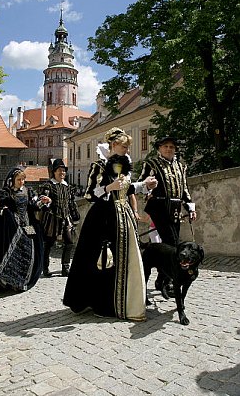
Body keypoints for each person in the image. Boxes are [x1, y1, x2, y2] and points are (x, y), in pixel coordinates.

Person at [63, 127, 157, 321]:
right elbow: (89, 194)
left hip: (123, 216)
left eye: (127, 147)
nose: (126, 150)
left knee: (126, 258)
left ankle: (126, 299)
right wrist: (108, 187)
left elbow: (127, 188)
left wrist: (144, 184)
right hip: (103, 218)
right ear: (113, 145)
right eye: (123, 146)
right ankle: (101, 302)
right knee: (102, 259)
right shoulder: (99, 165)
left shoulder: (124, 165)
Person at [138, 136, 197, 291]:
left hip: (176, 208)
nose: (169, 149)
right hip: (159, 206)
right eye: (165, 146)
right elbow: (142, 183)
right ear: (159, 149)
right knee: (172, 244)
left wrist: (190, 207)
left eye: (171, 147)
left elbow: (184, 188)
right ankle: (168, 279)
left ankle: (162, 278)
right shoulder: (152, 164)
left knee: (173, 243)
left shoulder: (180, 166)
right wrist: (148, 186)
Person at [0, 167, 43, 293]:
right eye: (19, 180)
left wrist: (42, 203)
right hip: (11, 229)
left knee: (30, 250)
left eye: (23, 180)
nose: (22, 182)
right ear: (12, 180)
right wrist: (5, 210)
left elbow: (32, 207)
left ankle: (21, 280)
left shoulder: (27, 191)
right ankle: (7, 281)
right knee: (9, 253)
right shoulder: (6, 192)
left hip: (27, 225)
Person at [38, 159, 80, 277]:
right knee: (49, 244)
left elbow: (71, 203)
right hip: (52, 219)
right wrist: (48, 202)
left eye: (63, 171)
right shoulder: (48, 186)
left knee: (69, 242)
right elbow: (42, 201)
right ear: (54, 172)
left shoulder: (68, 187)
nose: (62, 173)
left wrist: (75, 215)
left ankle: (65, 268)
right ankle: (45, 268)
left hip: (66, 218)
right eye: (59, 170)